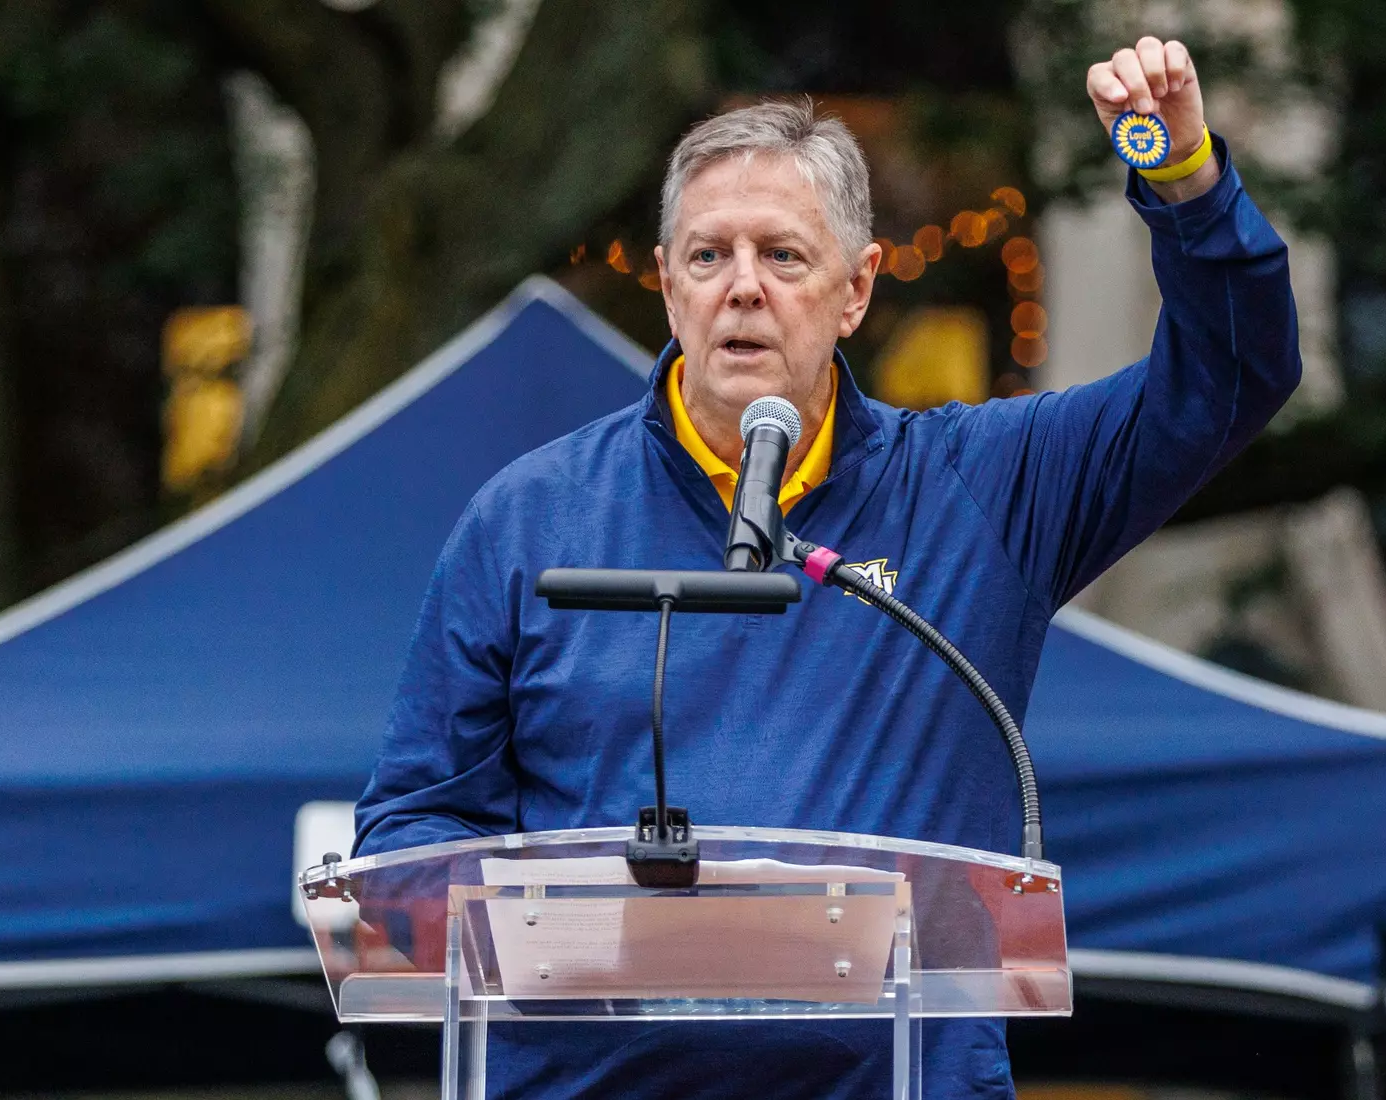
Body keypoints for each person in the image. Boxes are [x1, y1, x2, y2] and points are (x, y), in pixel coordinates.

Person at [355, 35, 1300, 1100]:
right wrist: (573, 926)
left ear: (856, 291)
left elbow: (1230, 376)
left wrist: (1183, 180)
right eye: (709, 256)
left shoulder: (982, 489)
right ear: (667, 288)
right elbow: (410, 832)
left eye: (784, 256)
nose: (743, 288)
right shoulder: (526, 519)